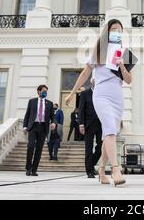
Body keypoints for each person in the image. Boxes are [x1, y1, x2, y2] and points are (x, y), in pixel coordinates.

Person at [66, 19, 132, 186]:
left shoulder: (125, 52)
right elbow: (85, 74)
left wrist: (123, 66)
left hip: (117, 96)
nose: (117, 32)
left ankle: (101, 169)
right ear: (107, 32)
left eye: (119, 29)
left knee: (110, 134)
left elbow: (129, 80)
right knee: (109, 130)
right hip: (101, 94)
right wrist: (72, 93)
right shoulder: (99, 51)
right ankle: (115, 169)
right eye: (114, 29)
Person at [23, 85, 55, 176]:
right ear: (38, 91)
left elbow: (53, 116)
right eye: (44, 91)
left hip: (43, 128)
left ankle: (34, 170)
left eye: (46, 91)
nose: (45, 93)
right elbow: (27, 115)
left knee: (39, 149)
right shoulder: (32, 101)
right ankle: (28, 168)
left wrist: (53, 122)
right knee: (31, 146)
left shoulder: (49, 103)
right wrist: (25, 127)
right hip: (33, 126)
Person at [79, 78, 103, 178]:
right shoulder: (85, 94)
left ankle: (91, 164)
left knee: (101, 147)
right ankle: (89, 171)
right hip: (88, 125)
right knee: (88, 148)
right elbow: (81, 109)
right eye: (95, 82)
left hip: (100, 124)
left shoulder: (102, 93)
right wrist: (81, 124)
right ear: (92, 83)